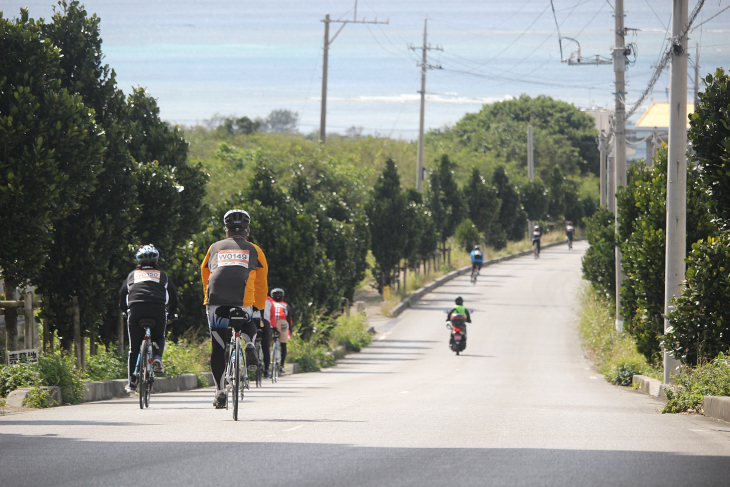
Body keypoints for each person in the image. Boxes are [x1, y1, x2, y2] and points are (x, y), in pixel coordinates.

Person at [201, 209, 268, 409]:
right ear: (247, 230)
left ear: (226, 230)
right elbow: (262, 284)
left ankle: (220, 393)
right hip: (243, 300)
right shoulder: (255, 250)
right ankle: (248, 343)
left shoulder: (214, 247)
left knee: (218, 345)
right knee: (249, 320)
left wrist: (209, 297)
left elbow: (206, 273)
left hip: (216, 302)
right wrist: (259, 308)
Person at [119, 244, 178, 393]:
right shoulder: (162, 275)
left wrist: (125, 311)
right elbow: (173, 295)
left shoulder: (132, 275)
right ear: (156, 261)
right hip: (157, 309)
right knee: (159, 336)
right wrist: (172, 312)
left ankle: (132, 383)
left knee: (134, 348)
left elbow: (122, 295)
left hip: (136, 309)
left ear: (138, 261)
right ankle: (157, 357)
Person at [264, 288, 293, 376]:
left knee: (267, 342)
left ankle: (267, 366)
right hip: (283, 323)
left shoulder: (269, 303)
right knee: (283, 344)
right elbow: (289, 319)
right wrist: (290, 330)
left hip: (270, 322)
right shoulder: (286, 305)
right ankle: (281, 365)